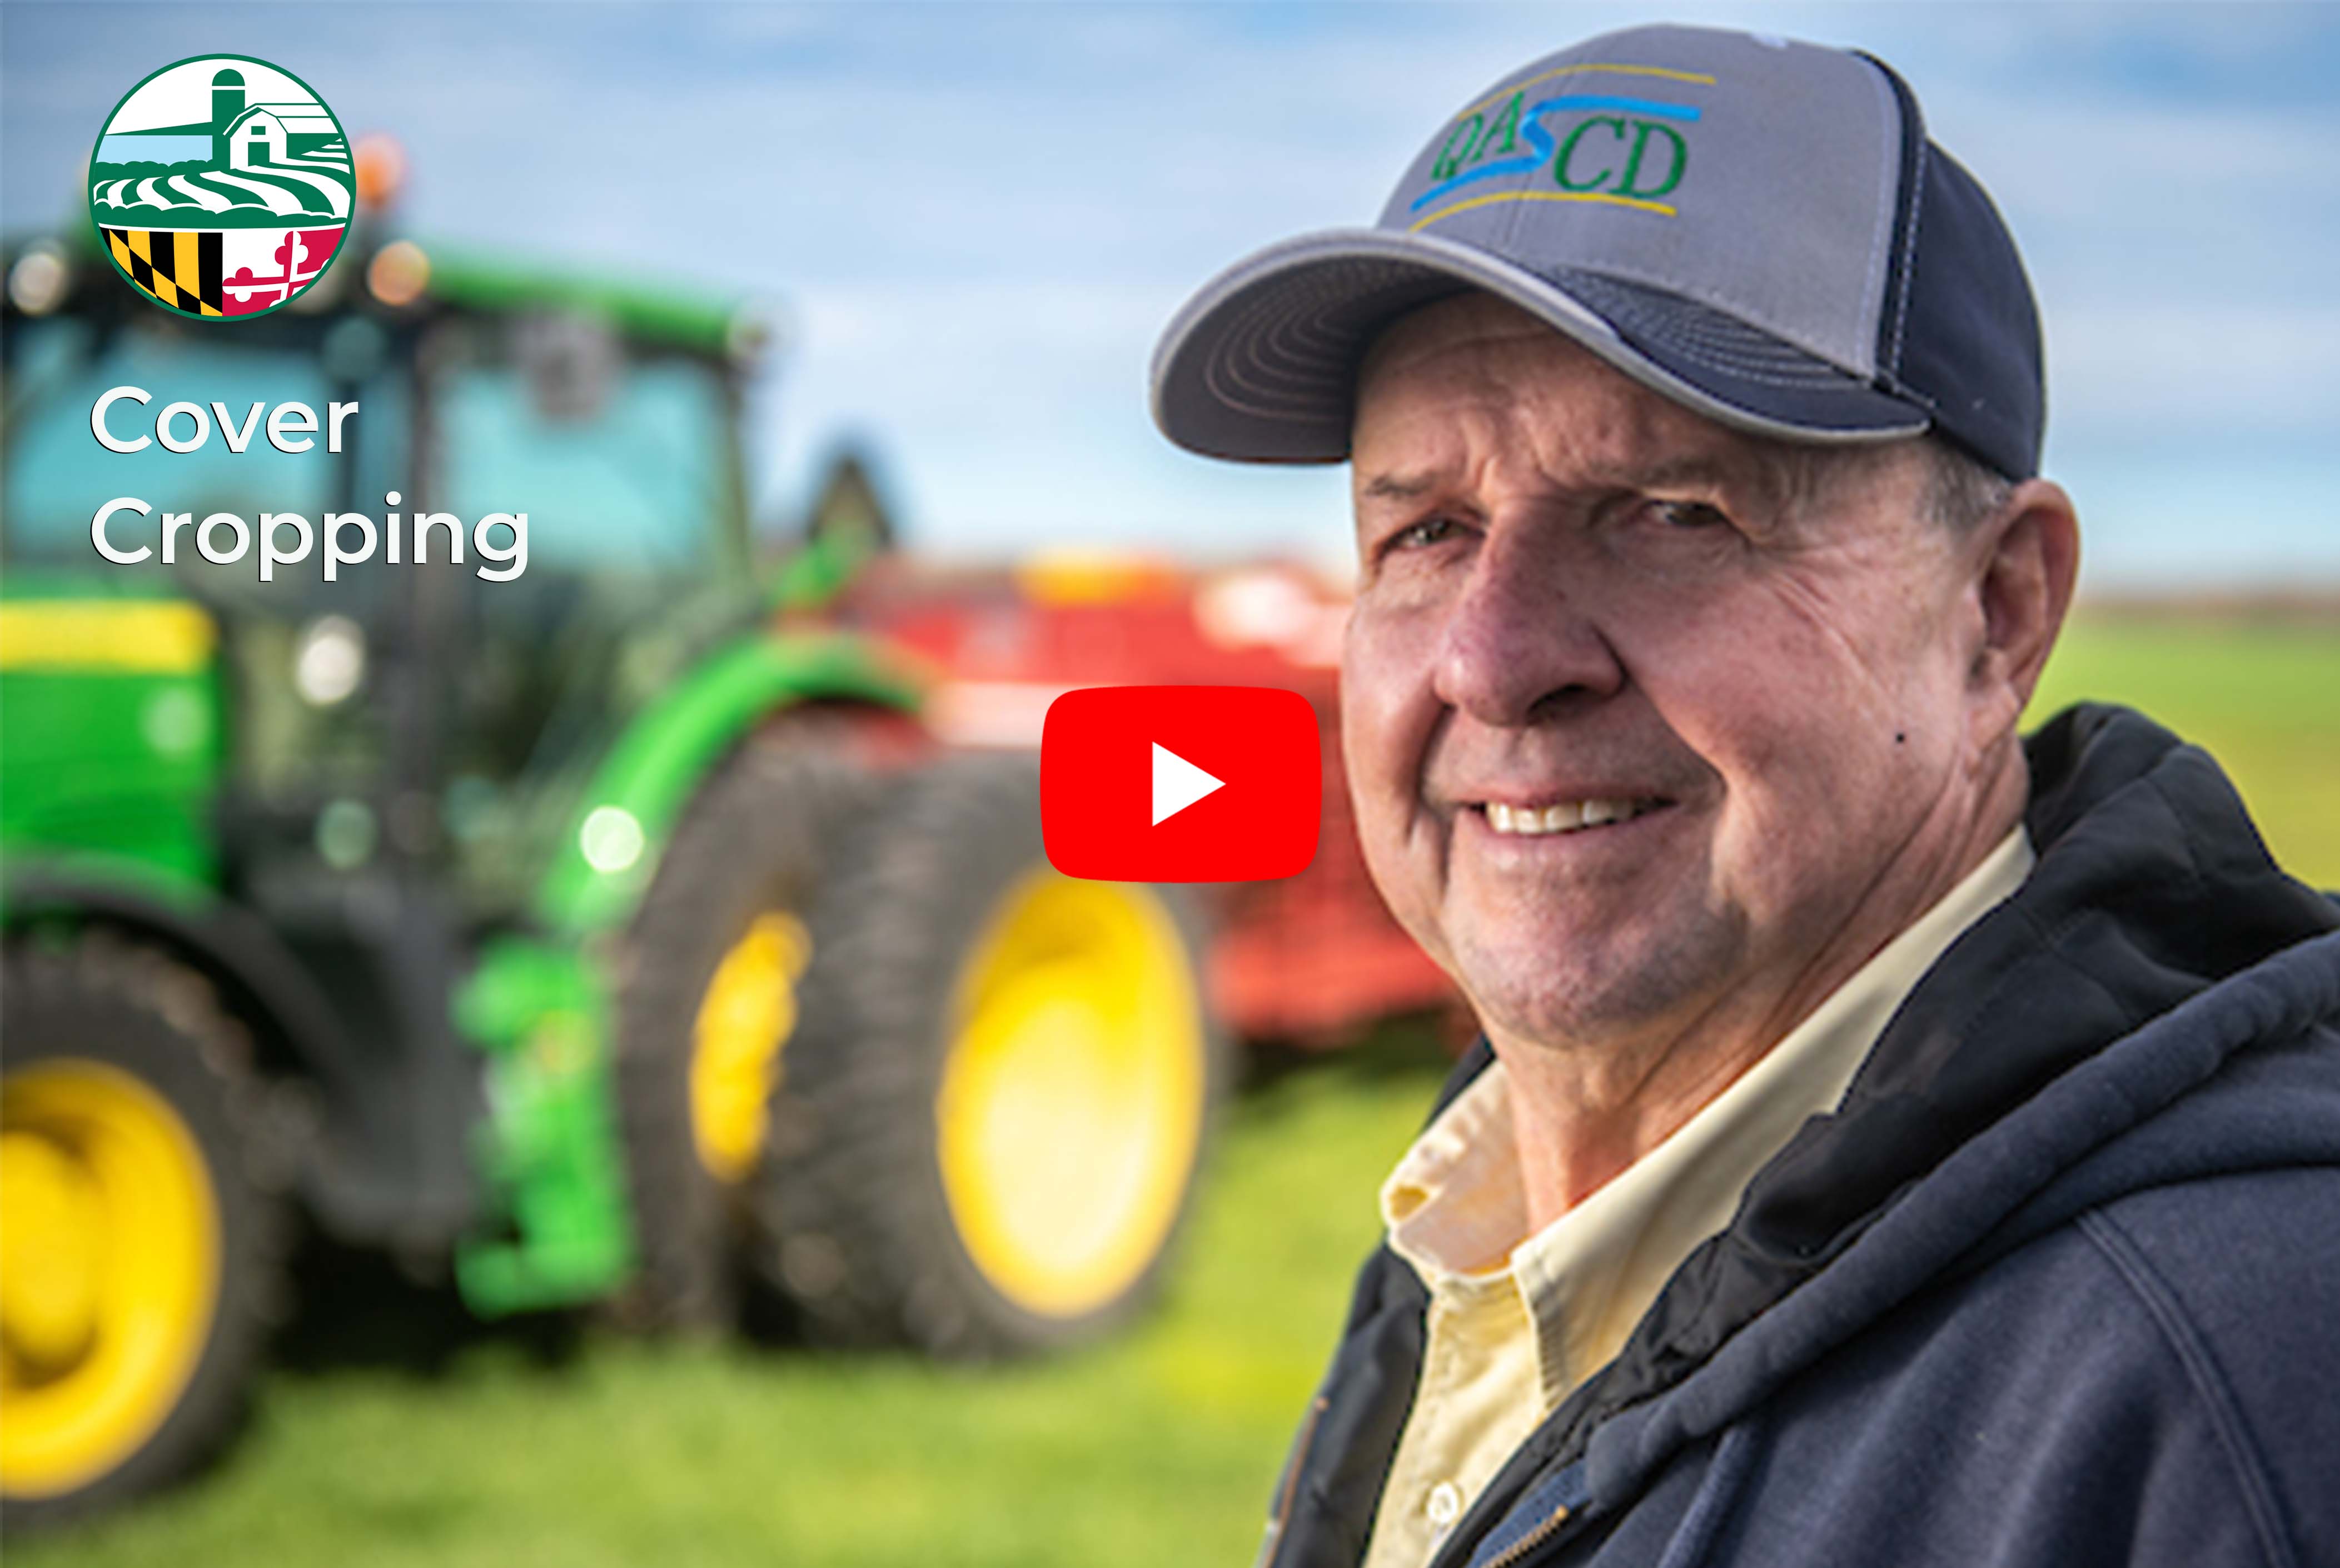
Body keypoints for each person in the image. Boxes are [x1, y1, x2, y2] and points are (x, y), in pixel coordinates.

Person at [1148, 23, 2340, 1568]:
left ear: (1997, 611)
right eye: (1428, 532)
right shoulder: (1500, 1199)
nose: (1494, 662)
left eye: (1667, 512)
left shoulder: (2229, 1380)